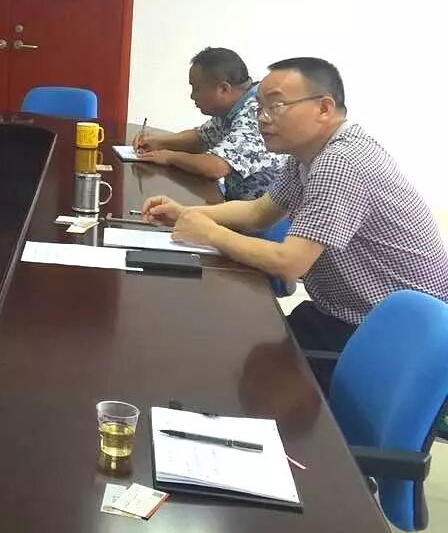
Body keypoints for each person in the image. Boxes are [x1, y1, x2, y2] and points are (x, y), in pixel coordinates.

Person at [142, 57, 448, 357]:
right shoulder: (307, 154)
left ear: (324, 108)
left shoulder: (339, 163)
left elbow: (289, 263)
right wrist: (185, 213)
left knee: (224, 351)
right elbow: (259, 212)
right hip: (344, 315)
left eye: (276, 106)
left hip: (392, 338)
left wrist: (210, 234)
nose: (262, 118)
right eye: (260, 107)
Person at [132, 47, 284, 200]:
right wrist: (157, 142)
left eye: (196, 88)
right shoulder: (235, 106)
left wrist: (170, 157)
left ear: (223, 89)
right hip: (238, 203)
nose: (192, 96)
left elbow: (215, 167)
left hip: (264, 212)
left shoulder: (254, 114)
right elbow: (201, 138)